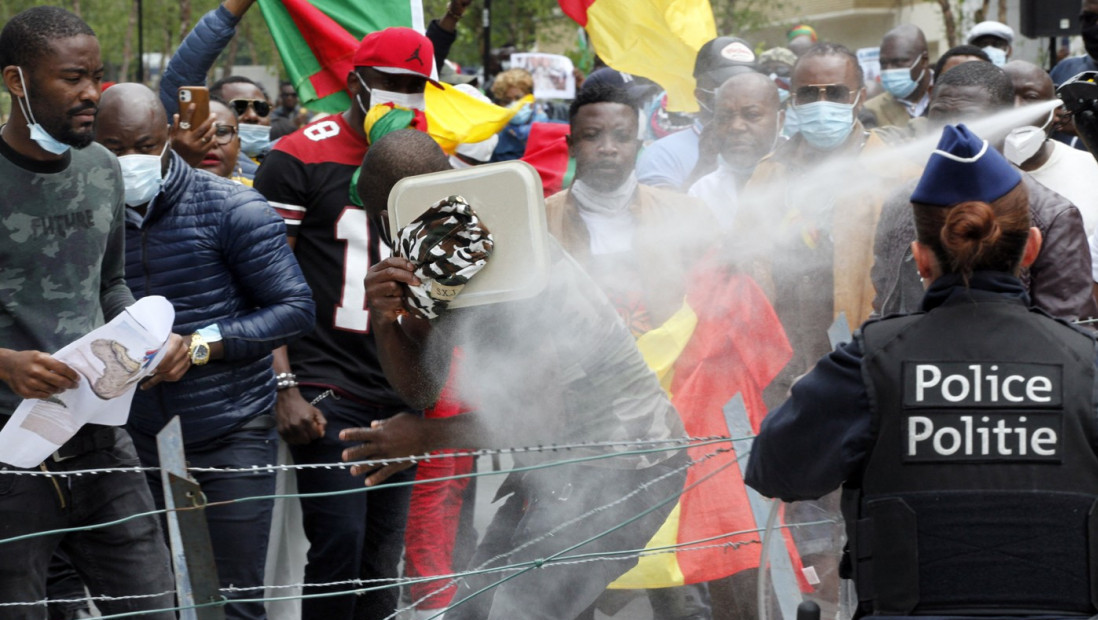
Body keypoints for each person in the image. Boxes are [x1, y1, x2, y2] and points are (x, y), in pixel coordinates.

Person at [746, 122, 1098, 617]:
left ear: (921, 259)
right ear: (1032, 248)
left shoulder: (868, 362)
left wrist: (815, 401)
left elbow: (776, 471)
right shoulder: (1087, 362)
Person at [344, 128, 688, 620]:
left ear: (386, 218)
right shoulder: (445, 253)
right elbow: (421, 389)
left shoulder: (513, 264)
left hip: (622, 464)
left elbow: (540, 420)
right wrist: (384, 320)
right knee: (474, 611)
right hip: (558, 461)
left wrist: (424, 436)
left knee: (517, 612)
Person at [94, 82, 315, 620]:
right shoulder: (87, 212)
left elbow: (294, 308)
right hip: (134, 435)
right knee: (151, 601)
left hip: (231, 429)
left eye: (145, 146)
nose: (131, 161)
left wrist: (199, 346)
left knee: (230, 599)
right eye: (114, 149)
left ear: (169, 136)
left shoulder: (233, 207)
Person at [0, 7, 187, 617]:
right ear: (16, 81)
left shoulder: (102, 168)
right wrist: (5, 363)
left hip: (101, 440)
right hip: (8, 449)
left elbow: (110, 284)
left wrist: (149, 338)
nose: (92, 93)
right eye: (73, 78)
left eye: (97, 77)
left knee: (153, 605)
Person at [252, 26, 436, 619]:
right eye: (392, 82)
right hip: (327, 381)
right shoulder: (299, 155)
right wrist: (285, 385)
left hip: (399, 382)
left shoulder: (429, 159)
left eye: (417, 85)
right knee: (339, 546)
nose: (404, 97)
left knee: (382, 557)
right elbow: (262, 280)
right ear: (356, 83)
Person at [872, 60, 1098, 323]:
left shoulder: (1052, 215)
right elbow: (884, 303)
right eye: (940, 115)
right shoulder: (900, 202)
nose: (951, 129)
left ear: (1005, 123)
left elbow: (1069, 329)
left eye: (968, 118)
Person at [636, 36, 758, 190]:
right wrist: (704, 165)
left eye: (749, 87)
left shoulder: (772, 148)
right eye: (727, 89)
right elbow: (659, 205)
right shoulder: (663, 155)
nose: (741, 95)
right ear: (701, 96)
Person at [1002, 60, 1098, 236]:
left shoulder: (1092, 168)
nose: (1016, 108)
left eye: (1030, 97)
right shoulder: (970, 171)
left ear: (1055, 110)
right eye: (1005, 96)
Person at [687, 71, 784, 227]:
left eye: (752, 115)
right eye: (724, 118)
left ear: (780, 120)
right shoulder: (702, 191)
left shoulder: (804, 183)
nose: (736, 126)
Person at [863, 25, 932, 129]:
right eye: (883, 64)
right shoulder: (870, 110)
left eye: (898, 62)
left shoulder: (951, 95)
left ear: (924, 61)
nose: (888, 70)